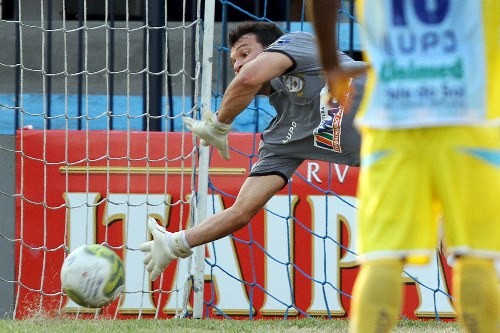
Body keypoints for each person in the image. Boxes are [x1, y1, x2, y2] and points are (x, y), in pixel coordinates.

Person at [310, 1, 500, 332]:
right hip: (469, 119)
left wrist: (331, 65)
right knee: (475, 257)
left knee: (383, 257)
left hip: (392, 123)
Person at [139, 21, 365, 282]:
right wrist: (177, 242)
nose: (237, 65)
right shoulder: (279, 139)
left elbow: (249, 78)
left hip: (411, 109)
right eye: (234, 61)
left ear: (272, 49)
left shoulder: (300, 43)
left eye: (245, 54)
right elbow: (241, 211)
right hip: (404, 161)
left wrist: (219, 124)